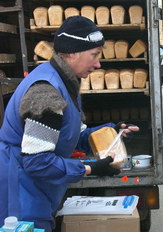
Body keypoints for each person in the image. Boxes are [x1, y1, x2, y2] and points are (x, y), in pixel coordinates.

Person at [0, 16, 138, 231]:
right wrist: (90, 169)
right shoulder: (47, 92)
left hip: (37, 188)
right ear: (72, 52)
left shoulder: (66, 81)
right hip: (20, 192)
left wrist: (110, 132)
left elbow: (68, 134)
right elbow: (37, 161)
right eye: (94, 55)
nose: (97, 64)